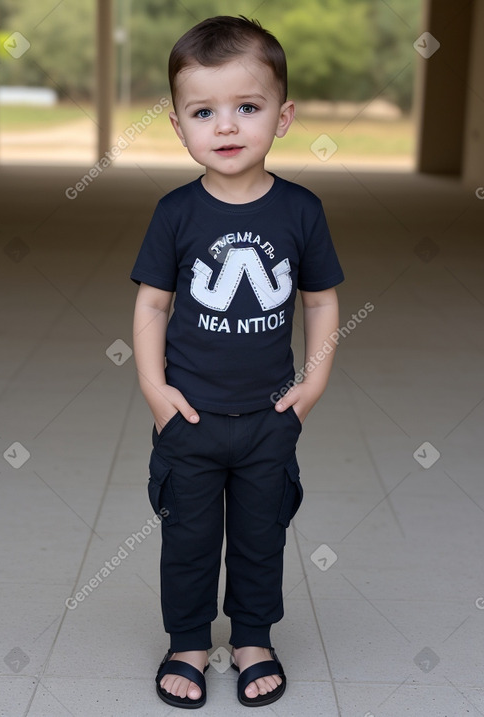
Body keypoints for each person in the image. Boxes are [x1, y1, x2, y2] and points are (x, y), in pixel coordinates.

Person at [131, 15, 344, 709]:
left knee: (261, 534)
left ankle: (254, 638)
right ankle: (188, 641)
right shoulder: (175, 213)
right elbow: (153, 307)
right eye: (204, 112)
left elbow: (319, 302)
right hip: (189, 417)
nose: (225, 126)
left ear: (282, 118)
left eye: (246, 108)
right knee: (188, 538)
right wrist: (156, 390)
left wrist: (312, 382)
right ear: (179, 126)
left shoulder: (301, 211)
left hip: (267, 418)